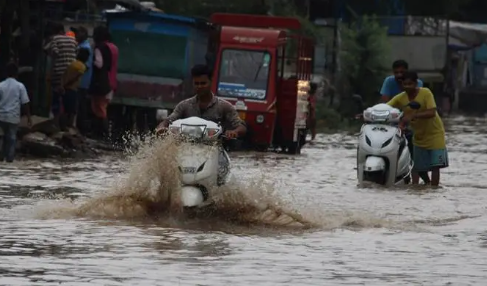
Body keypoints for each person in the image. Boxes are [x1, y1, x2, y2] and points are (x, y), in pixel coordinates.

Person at [156, 64, 247, 185]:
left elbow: (241, 126)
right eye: (196, 83)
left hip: (214, 152)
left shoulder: (224, 106)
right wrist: (161, 128)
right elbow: (169, 120)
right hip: (185, 150)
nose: (199, 87)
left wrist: (234, 132)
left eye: (203, 83)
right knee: (166, 173)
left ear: (211, 82)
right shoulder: (184, 105)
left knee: (222, 178)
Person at [386, 71, 448, 186]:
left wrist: (413, 115)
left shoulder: (426, 93)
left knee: (435, 166)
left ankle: (434, 189)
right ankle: (415, 189)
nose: (407, 87)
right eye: (405, 84)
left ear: (416, 83)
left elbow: (432, 112)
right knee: (417, 167)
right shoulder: (400, 98)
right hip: (419, 136)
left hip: (435, 134)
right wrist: (367, 113)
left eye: (410, 84)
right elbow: (385, 107)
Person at [380, 59, 423, 184]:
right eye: (396, 73)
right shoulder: (389, 82)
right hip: (393, 120)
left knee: (413, 149)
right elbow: (386, 104)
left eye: (402, 73)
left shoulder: (418, 85)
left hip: (412, 121)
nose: (399, 75)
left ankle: (416, 175)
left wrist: (405, 121)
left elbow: (418, 105)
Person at [44, 23, 77, 126]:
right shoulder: (72, 40)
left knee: (56, 99)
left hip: (59, 73)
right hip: (71, 73)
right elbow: (77, 51)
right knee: (68, 99)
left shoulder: (55, 39)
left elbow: (54, 51)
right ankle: (68, 125)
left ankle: (56, 123)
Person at [0, 62, 32, 162]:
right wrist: (29, 117)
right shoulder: (20, 86)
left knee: (2, 138)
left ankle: (1, 158)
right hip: (13, 117)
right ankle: (10, 160)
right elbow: (25, 102)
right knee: (12, 138)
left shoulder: (1, 85)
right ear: (16, 73)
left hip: (1, 116)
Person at [89, 26, 113, 139]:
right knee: (101, 108)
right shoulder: (108, 48)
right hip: (105, 81)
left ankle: (101, 133)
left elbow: (99, 64)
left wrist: (91, 62)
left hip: (99, 83)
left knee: (98, 108)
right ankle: (103, 133)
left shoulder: (99, 48)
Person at [59, 48, 89, 130]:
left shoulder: (72, 64)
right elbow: (76, 77)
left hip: (65, 89)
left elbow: (64, 75)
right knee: (72, 110)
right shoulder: (82, 66)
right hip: (72, 89)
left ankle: (62, 126)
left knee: (65, 108)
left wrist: (62, 85)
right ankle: (69, 127)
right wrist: (67, 84)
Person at [75, 26, 93, 133]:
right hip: (80, 81)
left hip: (82, 81)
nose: (76, 35)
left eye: (78, 33)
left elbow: (86, 66)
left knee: (81, 107)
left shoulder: (85, 48)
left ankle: (83, 129)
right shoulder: (82, 46)